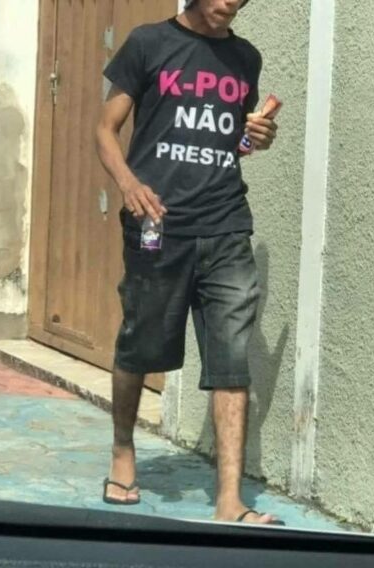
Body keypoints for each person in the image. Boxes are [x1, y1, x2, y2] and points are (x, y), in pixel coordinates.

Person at [95, 0, 280, 524]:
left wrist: (256, 138)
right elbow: (105, 129)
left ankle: (229, 501)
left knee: (231, 357)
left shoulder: (245, 58)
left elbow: (229, 142)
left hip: (227, 224)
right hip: (156, 221)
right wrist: (129, 184)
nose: (229, 4)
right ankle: (123, 449)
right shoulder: (148, 43)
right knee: (140, 343)